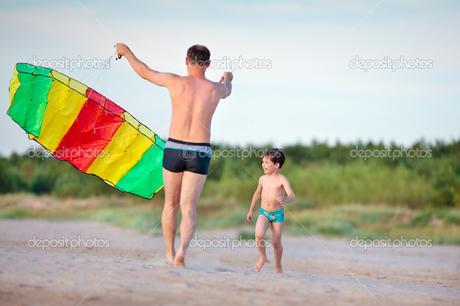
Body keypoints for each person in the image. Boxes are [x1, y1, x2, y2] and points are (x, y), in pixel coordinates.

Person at [116, 43, 233, 267]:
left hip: (175, 148)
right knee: (189, 208)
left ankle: (169, 255)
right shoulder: (215, 90)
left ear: (186, 61)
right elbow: (228, 88)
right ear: (208, 64)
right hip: (199, 151)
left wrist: (127, 52)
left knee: (170, 205)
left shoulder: (174, 81)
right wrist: (228, 76)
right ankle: (181, 253)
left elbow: (144, 72)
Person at [246, 149, 296, 273]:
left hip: (277, 214)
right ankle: (262, 257)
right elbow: (257, 194)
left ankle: (278, 266)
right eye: (263, 162)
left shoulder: (282, 179)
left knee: (276, 242)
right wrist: (251, 210)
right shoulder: (262, 179)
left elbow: (292, 195)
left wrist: (285, 198)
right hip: (264, 213)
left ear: (277, 165)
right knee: (258, 235)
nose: (263, 164)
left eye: (267, 162)